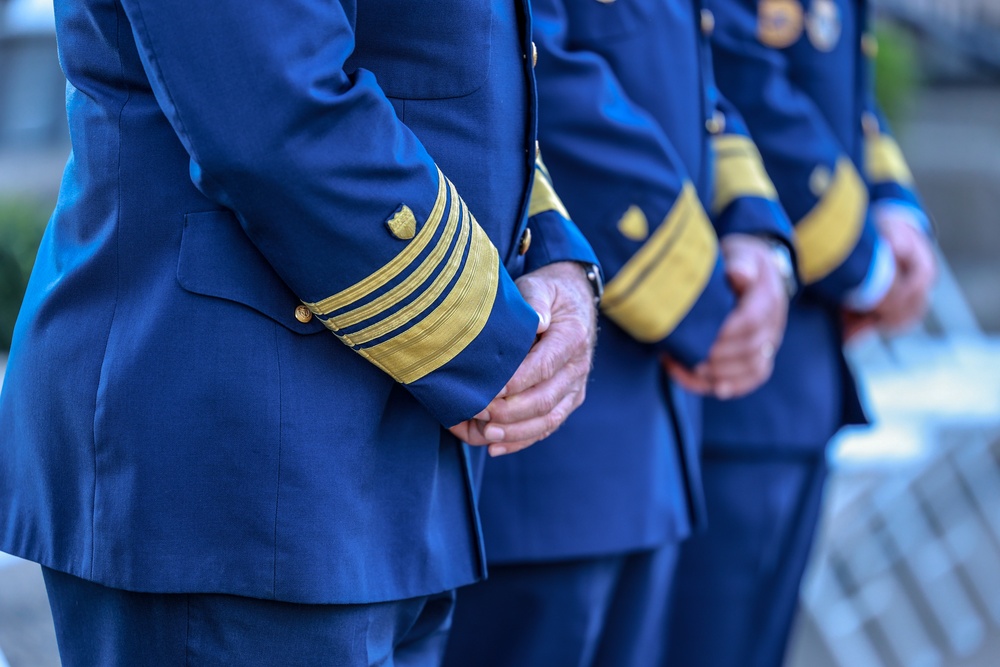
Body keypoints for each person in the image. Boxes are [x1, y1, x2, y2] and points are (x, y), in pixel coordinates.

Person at [0, 0, 600, 664]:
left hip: (383, 449)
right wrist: (489, 337)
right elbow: (272, 105)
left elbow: (464, 71)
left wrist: (550, 249)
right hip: (235, 461)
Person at [443, 2, 795, 665]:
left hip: (649, 443)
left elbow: (696, 77)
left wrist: (754, 228)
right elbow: (530, 69)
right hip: (547, 448)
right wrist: (702, 295)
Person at [665, 2, 938, 666]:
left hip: (797, 362)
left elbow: (842, 80)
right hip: (729, 353)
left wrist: (894, 205)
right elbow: (734, 69)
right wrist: (866, 260)